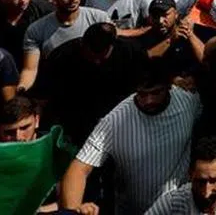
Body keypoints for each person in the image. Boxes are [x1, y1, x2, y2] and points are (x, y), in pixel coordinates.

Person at [61, 63, 203, 215]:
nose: (149, 100)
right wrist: (72, 212)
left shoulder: (188, 100)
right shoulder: (114, 122)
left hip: (183, 209)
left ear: (168, 86)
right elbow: (79, 168)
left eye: (156, 93)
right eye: (142, 94)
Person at [39, 22, 148, 146]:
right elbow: (45, 98)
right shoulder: (62, 56)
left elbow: (143, 89)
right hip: (77, 123)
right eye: (91, 56)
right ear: (83, 44)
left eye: (101, 57)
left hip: (122, 120)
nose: (96, 62)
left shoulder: (132, 53)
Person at [20, 0, 110, 90]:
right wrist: (22, 89)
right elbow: (30, 69)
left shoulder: (99, 18)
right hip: (59, 88)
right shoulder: (36, 29)